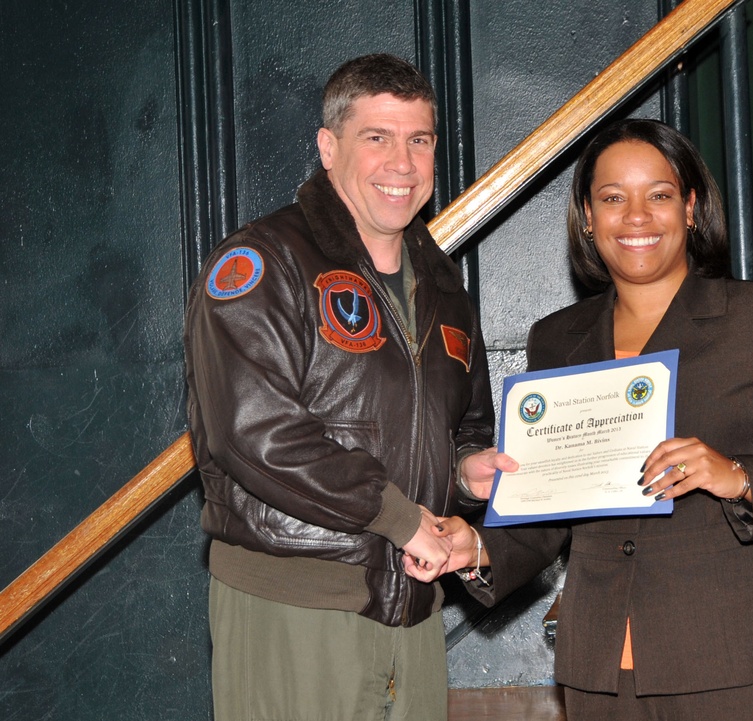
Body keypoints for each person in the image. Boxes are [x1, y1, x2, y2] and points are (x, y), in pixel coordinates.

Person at [412, 118, 753, 720]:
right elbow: (552, 507)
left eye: (658, 195)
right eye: (612, 198)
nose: (636, 217)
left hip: (744, 667)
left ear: (690, 208)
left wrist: (734, 475)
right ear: (587, 217)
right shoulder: (557, 339)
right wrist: (473, 546)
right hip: (602, 673)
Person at [184, 53, 515, 721]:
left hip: (415, 602)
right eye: (378, 138)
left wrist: (469, 471)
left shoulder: (444, 286)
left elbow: (461, 428)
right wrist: (396, 516)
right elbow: (254, 431)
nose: (403, 162)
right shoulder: (263, 262)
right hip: (295, 599)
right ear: (328, 148)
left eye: (419, 140)